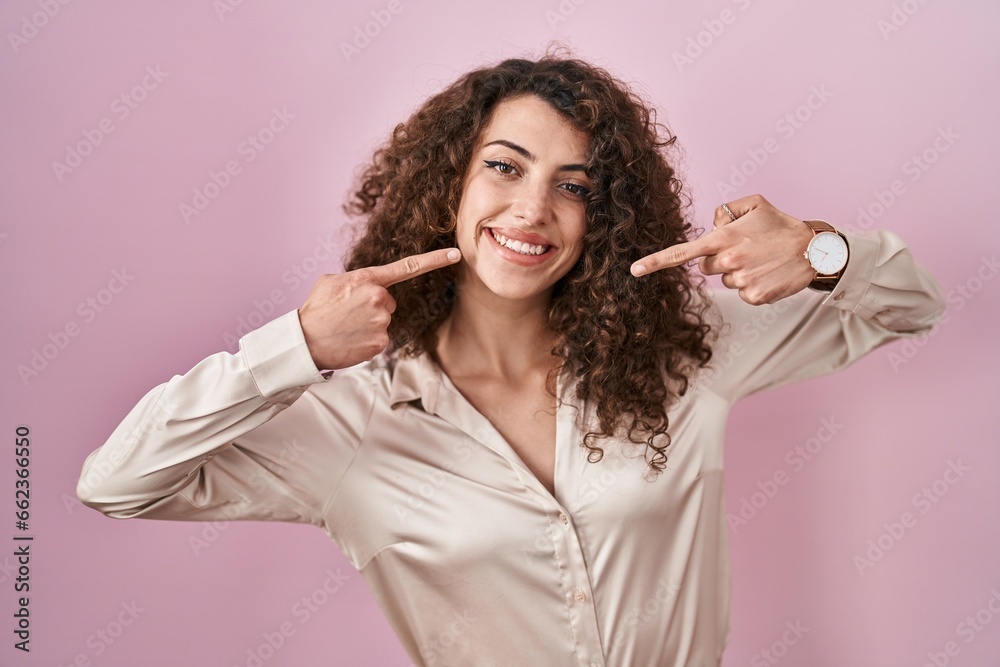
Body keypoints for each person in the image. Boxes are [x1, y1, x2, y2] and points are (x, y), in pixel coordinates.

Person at [76, 50, 944, 667]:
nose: (533, 211)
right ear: (447, 184)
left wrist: (820, 250)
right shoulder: (350, 421)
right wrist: (294, 348)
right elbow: (117, 480)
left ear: (602, 218)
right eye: (504, 167)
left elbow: (910, 304)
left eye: (574, 185)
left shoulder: (686, 351)